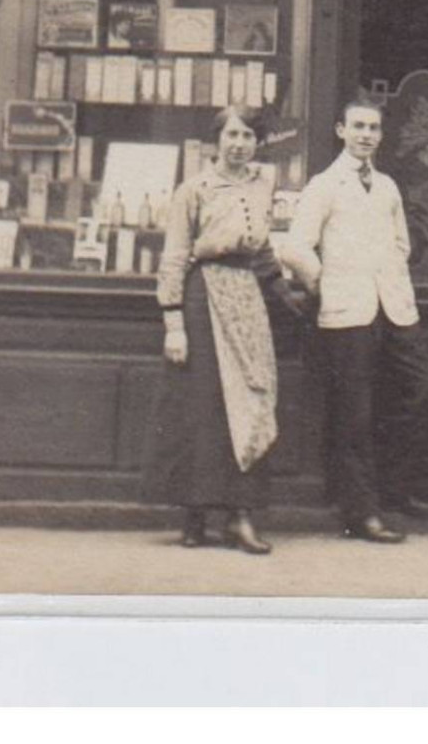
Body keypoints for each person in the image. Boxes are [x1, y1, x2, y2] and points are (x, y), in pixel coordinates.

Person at [281, 93, 428, 544]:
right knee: (355, 415)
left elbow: (401, 246)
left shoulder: (388, 186)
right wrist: (322, 283)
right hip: (347, 311)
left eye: (373, 128)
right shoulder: (324, 185)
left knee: (425, 390)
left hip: (393, 308)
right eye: (358, 127)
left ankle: (392, 489)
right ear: (341, 130)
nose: (366, 136)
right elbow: (295, 247)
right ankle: (362, 513)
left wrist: (389, 280)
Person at [142, 105, 300, 555]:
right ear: (217, 140)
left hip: (247, 298)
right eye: (232, 134)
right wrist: (173, 323)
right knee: (202, 405)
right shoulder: (194, 190)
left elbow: (264, 248)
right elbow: (174, 256)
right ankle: (194, 515)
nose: (239, 144)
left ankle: (240, 517)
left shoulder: (261, 184)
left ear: (257, 143)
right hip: (202, 297)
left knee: (250, 400)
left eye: (248, 136)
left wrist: (285, 296)